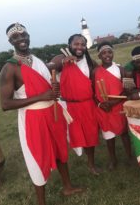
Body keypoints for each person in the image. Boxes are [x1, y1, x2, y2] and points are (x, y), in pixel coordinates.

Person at [0, 23, 84, 205]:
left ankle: (67, 187)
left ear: (28, 35)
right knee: (38, 158)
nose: (21, 39)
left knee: (61, 150)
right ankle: (41, 202)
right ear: (10, 41)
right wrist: (41, 96)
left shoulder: (36, 60)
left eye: (23, 34)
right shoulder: (10, 67)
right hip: (33, 119)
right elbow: (5, 104)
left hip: (52, 114)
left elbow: (50, 73)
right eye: (16, 37)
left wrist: (53, 89)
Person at [49, 34, 100, 175]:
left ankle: (91, 164)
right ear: (69, 45)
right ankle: (64, 168)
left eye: (82, 44)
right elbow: (47, 69)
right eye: (76, 44)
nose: (79, 47)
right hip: (69, 106)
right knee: (70, 136)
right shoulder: (60, 58)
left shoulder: (89, 61)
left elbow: (99, 73)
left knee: (90, 136)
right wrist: (62, 63)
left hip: (88, 105)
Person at [92, 41, 132, 170]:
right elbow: (92, 92)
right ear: (99, 56)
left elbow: (126, 91)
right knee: (109, 136)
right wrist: (100, 104)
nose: (107, 55)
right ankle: (113, 159)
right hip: (104, 108)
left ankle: (129, 156)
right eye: (103, 53)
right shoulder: (95, 72)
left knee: (124, 133)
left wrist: (114, 102)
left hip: (119, 106)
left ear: (113, 54)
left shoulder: (120, 69)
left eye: (109, 52)